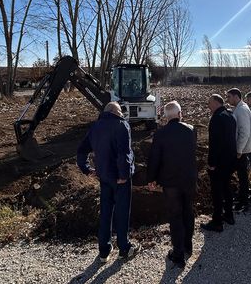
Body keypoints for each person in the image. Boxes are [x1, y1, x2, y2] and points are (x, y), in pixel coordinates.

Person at [77, 102, 140, 262]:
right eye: (120, 112)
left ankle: (104, 251)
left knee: (105, 213)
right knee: (122, 212)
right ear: (116, 112)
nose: (122, 114)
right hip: (120, 179)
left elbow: (82, 149)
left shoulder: (96, 127)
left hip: (103, 177)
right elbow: (124, 153)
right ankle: (124, 248)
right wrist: (124, 175)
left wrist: (86, 169)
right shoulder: (121, 125)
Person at [147, 101, 198, 269]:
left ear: (166, 117)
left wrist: (152, 179)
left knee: (175, 215)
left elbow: (154, 158)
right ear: (180, 113)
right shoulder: (191, 130)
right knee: (188, 212)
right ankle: (187, 247)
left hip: (170, 182)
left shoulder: (160, 134)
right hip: (189, 180)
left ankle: (178, 253)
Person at [201, 94, 237, 232]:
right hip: (230, 160)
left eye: (209, 102)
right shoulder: (230, 115)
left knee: (217, 192)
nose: (208, 105)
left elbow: (215, 144)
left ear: (216, 102)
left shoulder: (217, 118)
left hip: (220, 163)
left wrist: (211, 163)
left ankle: (217, 222)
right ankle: (229, 215)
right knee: (227, 188)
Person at [226, 88, 251, 212]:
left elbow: (244, 132)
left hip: (242, 150)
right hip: (242, 149)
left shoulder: (241, 110)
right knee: (241, 175)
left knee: (242, 176)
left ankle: (243, 202)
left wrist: (239, 150)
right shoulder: (240, 108)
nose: (228, 99)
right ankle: (242, 198)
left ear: (236, 96)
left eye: (229, 97)